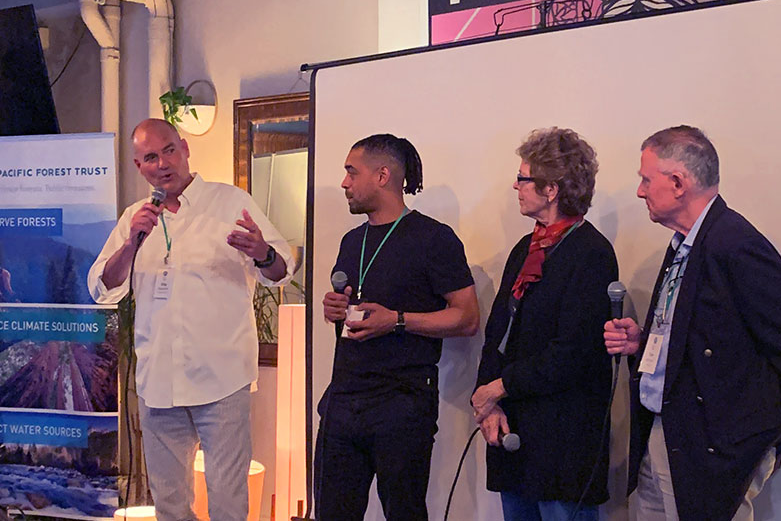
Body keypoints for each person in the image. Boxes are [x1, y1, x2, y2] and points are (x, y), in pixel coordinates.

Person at [603, 126, 781, 521]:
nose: (640, 191)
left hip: (706, 448)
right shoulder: (685, 244)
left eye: (645, 179)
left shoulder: (734, 243)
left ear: (678, 183)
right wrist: (645, 344)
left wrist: (755, 436)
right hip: (667, 433)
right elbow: (709, 336)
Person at [88, 118, 293, 521]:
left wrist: (262, 252)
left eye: (168, 150)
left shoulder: (231, 203)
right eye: (150, 157)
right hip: (159, 383)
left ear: (184, 148)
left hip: (222, 379)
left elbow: (282, 271)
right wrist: (131, 243)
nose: (162, 163)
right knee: (170, 505)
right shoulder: (136, 216)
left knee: (228, 502)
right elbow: (101, 288)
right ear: (139, 166)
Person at [318, 133, 479, 521]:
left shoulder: (433, 238)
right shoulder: (351, 240)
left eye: (351, 172)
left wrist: (397, 320)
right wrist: (335, 308)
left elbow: (467, 317)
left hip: (401, 404)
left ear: (383, 175)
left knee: (404, 513)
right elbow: (352, 312)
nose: (344, 183)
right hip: (343, 399)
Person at [473, 127, 618, 521]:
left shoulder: (592, 253)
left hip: (563, 439)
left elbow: (572, 353)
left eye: (523, 178)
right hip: (512, 428)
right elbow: (498, 332)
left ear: (551, 189)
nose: (515, 186)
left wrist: (499, 388)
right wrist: (489, 404)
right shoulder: (527, 247)